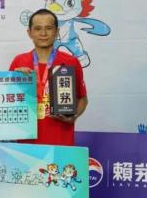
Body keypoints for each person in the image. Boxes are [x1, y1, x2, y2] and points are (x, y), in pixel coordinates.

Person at [9, 8, 88, 146]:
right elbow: (7, 100)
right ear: (29, 33)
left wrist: (73, 117)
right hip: (27, 143)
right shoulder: (19, 62)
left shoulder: (71, 62)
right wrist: (16, 80)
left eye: (49, 28)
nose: (43, 33)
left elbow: (83, 99)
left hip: (61, 142)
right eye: (38, 28)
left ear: (57, 32)